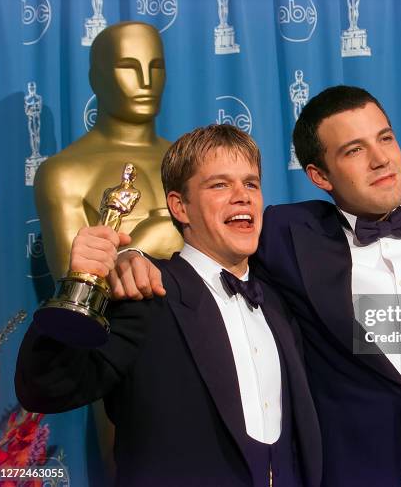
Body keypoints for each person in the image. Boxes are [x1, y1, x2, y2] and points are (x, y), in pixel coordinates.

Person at [78, 86, 401, 486]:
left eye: (386, 139)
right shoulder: (284, 235)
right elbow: (205, 238)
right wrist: (127, 257)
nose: (381, 159)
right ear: (320, 174)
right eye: (355, 150)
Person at [16, 125, 322, 487]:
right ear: (179, 206)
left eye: (251, 183)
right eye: (220, 185)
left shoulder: (277, 302)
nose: (242, 196)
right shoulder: (145, 292)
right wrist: (79, 284)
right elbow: (45, 388)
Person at [34, 21, 182, 282]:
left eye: (156, 67)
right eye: (128, 67)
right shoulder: (64, 173)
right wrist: (149, 242)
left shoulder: (190, 161)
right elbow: (76, 289)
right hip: (123, 321)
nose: (146, 81)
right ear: (96, 79)